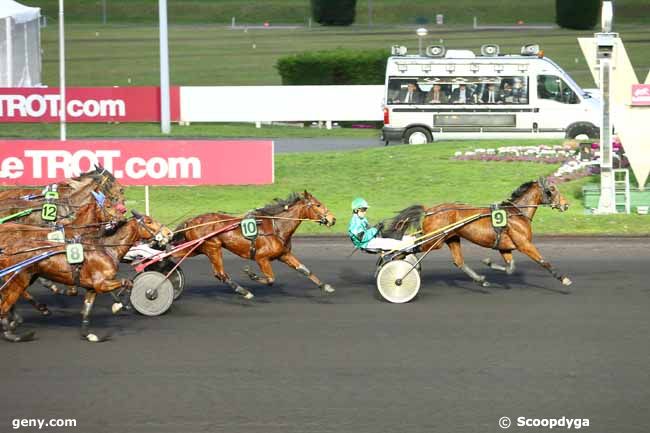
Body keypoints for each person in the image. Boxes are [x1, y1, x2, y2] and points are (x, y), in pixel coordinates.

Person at [348, 198, 414, 251]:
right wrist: (376, 228)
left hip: (370, 240)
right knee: (393, 243)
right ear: (356, 210)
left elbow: (368, 230)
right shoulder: (355, 222)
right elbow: (362, 238)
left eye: (366, 209)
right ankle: (409, 248)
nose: (365, 212)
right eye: (363, 209)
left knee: (395, 239)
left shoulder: (362, 219)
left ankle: (409, 243)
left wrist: (377, 227)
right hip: (366, 244)